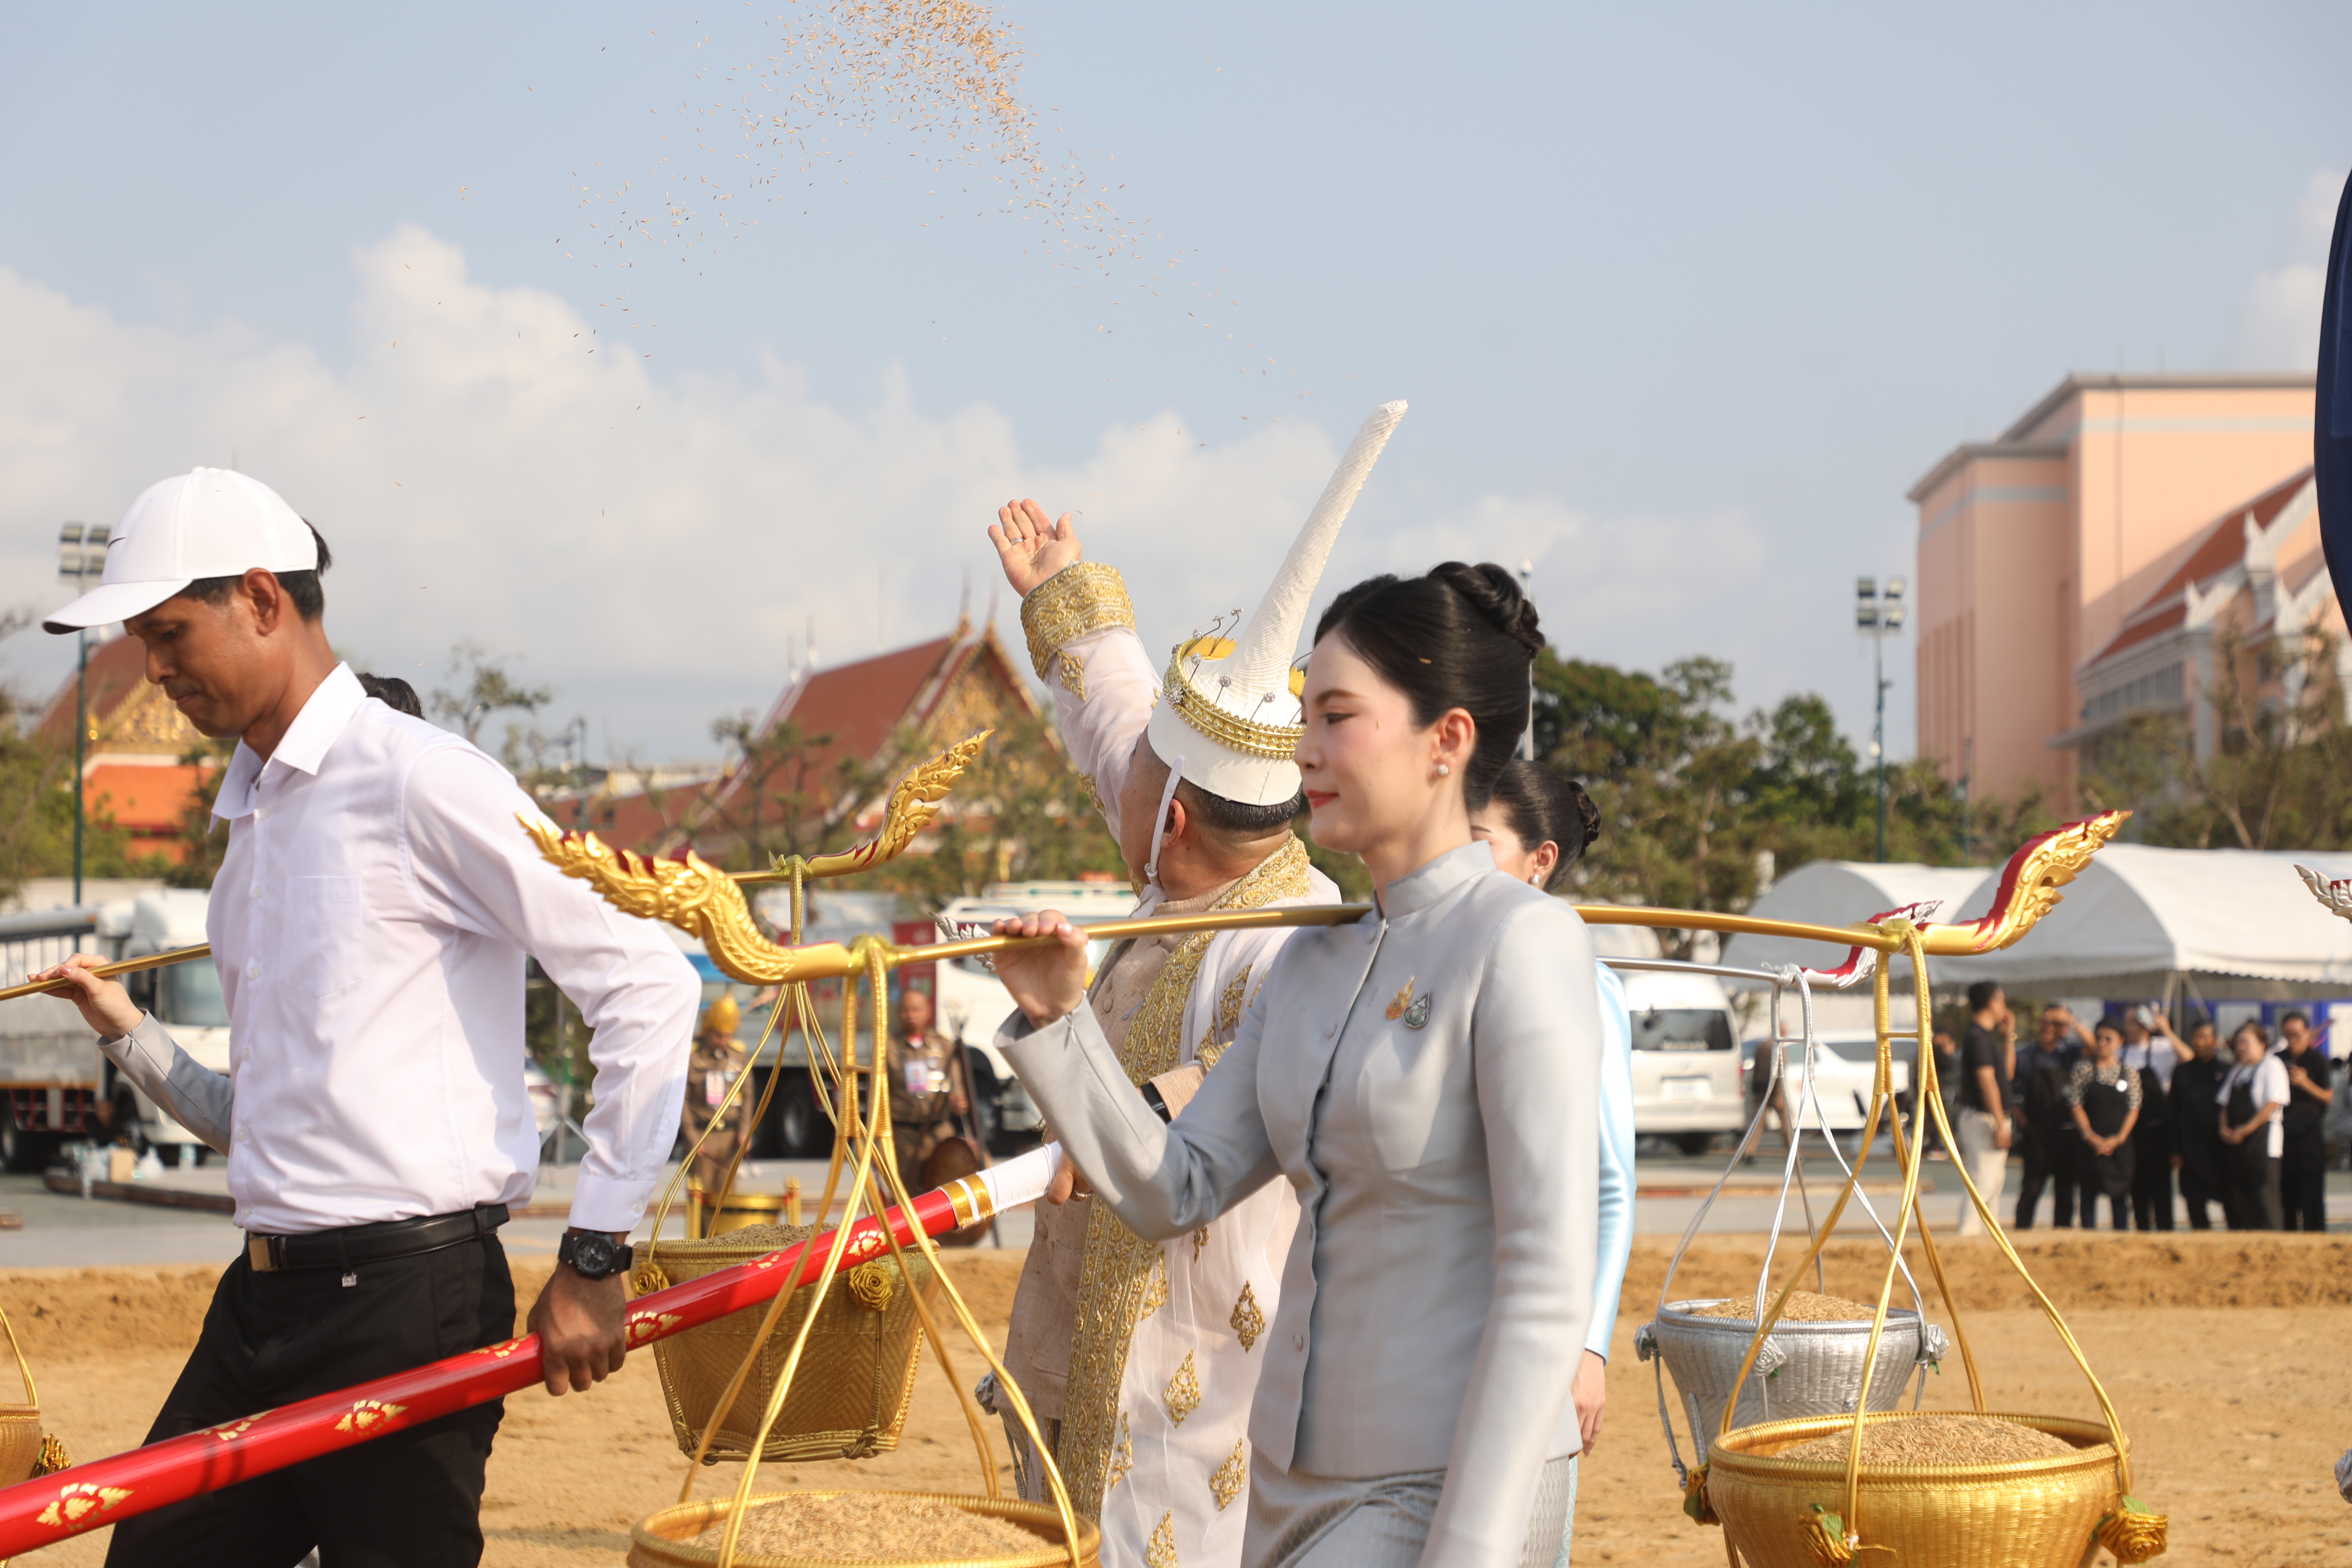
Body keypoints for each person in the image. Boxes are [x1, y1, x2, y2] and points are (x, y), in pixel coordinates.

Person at [25, 468, 700, 1568]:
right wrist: (126, 1032)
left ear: (259, 598)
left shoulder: (421, 779)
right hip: (264, 1301)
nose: (152, 668)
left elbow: (647, 981)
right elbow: (276, 1123)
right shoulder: (249, 830)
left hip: (405, 1298)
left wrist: (595, 1253)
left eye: (167, 631)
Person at [994, 557, 1601, 1568]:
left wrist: (1468, 1549)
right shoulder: (1313, 962)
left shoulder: (1519, 943)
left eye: (1333, 717)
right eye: (1302, 720)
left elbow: (1543, 1279)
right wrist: (1059, 1024)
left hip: (1439, 1489)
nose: (1301, 751)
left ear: (1446, 740)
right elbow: (1170, 1186)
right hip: (1276, 1489)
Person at [985, 489, 1342, 1565]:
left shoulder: (1293, 933)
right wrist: (1062, 599)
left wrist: (1071, 1038)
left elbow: (1227, 1097)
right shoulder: (1186, 861)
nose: (1115, 773)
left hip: (1205, 1376)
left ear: (1174, 818)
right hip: (1074, 1346)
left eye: (1136, 775)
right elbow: (1118, 724)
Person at [1470, 759, 1624, 1568]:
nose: (1455, 859)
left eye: (1478, 842)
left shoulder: (1585, 983)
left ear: (1542, 861)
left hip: (1536, 1344)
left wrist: (1590, 1349)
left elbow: (1611, 1186)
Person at [886, 987, 974, 1198]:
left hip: (938, 1132)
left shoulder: (943, 1046)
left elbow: (957, 1084)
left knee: (946, 1190)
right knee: (904, 1193)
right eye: (906, 1010)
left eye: (916, 1009)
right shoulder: (888, 1048)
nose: (911, 1015)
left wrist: (958, 1102)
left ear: (928, 1011)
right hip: (903, 1135)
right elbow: (876, 1097)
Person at [2014, 1004, 2088, 1229]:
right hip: (2036, 1134)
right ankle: (2021, 1236)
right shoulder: (2026, 1054)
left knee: (2065, 1194)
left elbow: (2095, 1048)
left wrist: (2072, 1020)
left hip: (2066, 1134)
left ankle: (2062, 1237)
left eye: (2055, 1023)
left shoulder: (2071, 1053)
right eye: (2045, 1021)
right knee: (2031, 1191)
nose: (2048, 1027)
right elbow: (2008, 1086)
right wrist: (2021, 1119)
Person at [2118, 1006, 2190, 1231]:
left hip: (2158, 1129)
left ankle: (2166, 1231)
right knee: (2136, 1186)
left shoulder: (2163, 1048)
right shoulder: (2121, 1052)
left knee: (2161, 1188)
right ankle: (2142, 1230)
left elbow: (2188, 1057)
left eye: (2131, 1022)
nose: (2127, 1027)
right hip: (2130, 1128)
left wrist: (2166, 1030)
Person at [2064, 1020, 2140, 1231]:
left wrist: (2119, 1139)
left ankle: (2121, 1239)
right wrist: (2089, 1136)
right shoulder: (2083, 1069)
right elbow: (2075, 1103)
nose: (2103, 1043)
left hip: (2119, 1147)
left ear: (2120, 1042)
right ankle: (2089, 1240)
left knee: (2119, 1197)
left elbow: (2134, 1107)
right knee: (2088, 1196)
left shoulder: (2129, 1072)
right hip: (2090, 1146)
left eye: (2109, 1039)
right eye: (2099, 1038)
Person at [1952, 981, 2014, 1236]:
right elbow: (1986, 1081)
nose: (2004, 1007)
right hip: (1983, 1117)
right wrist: (2000, 1123)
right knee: (1984, 1181)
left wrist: (2009, 1037)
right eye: (2001, 1001)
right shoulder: (1977, 1036)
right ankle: (1967, 1236)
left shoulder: (1985, 1037)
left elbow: (2006, 1074)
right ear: (1992, 1003)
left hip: (1990, 1116)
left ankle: (1988, 1240)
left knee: (1993, 1183)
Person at [2218, 1021, 2290, 1231]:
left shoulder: (2272, 1065)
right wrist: (2224, 1128)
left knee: (2265, 1202)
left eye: (2246, 1042)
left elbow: (2274, 1103)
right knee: (2242, 1203)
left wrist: (2246, 1129)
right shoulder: (2238, 1071)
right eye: (2238, 1043)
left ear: (2262, 1043)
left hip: (2263, 1148)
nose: (2241, 1048)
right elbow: (2223, 1104)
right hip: (2238, 1148)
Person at [683, 994, 752, 1199]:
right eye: (719, 1036)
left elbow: (747, 1096)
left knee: (727, 1200)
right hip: (703, 1136)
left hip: (731, 1139)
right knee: (702, 1200)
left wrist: (744, 1132)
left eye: (728, 1035)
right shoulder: (692, 1056)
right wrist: (692, 1138)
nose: (724, 1041)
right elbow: (682, 1101)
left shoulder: (739, 1056)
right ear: (708, 1031)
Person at [2171, 1017, 2230, 1230]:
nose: (2199, 1042)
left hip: (2220, 1151)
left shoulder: (2227, 1071)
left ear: (2215, 1041)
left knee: (2231, 1204)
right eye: (2195, 1037)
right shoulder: (2182, 1072)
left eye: (2204, 1037)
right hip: (2190, 1150)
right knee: (2195, 1206)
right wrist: (2175, 1149)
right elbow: (2173, 1113)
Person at [2279, 1011, 2334, 1232]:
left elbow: (2327, 1096)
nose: (2293, 1040)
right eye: (2288, 1035)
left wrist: (2304, 1082)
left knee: (2311, 1200)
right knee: (2286, 1201)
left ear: (2308, 1033)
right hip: (2283, 1139)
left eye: (2297, 1035)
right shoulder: (2277, 1059)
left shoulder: (2318, 1060)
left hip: (2309, 1138)